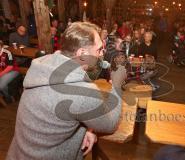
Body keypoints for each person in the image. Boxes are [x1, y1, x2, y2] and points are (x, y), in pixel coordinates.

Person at [6, 22, 127, 160]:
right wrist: (117, 85)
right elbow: (110, 124)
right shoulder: (81, 92)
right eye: (99, 49)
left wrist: (88, 128)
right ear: (82, 54)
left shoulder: (43, 66)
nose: (101, 54)